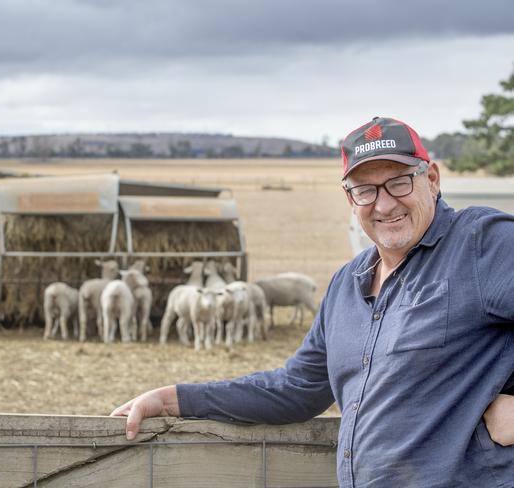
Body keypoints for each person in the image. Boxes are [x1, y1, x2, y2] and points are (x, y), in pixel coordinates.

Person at [111, 116, 514, 487]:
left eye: (399, 182)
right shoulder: (346, 285)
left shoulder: (479, 244)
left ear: (433, 179)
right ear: (350, 199)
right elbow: (297, 388)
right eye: (366, 190)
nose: (385, 203)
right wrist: (173, 399)